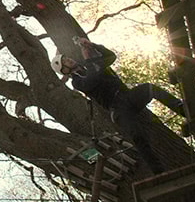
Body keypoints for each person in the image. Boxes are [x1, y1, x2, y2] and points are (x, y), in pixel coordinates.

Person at [52, 37, 184, 174]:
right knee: (138, 136)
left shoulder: (92, 65)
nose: (69, 59)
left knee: (150, 89)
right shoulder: (78, 82)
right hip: (118, 109)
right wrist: (89, 59)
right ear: (65, 70)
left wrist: (93, 45)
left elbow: (110, 57)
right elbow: (92, 81)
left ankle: (181, 108)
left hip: (127, 96)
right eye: (65, 61)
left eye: (67, 58)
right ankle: (159, 171)